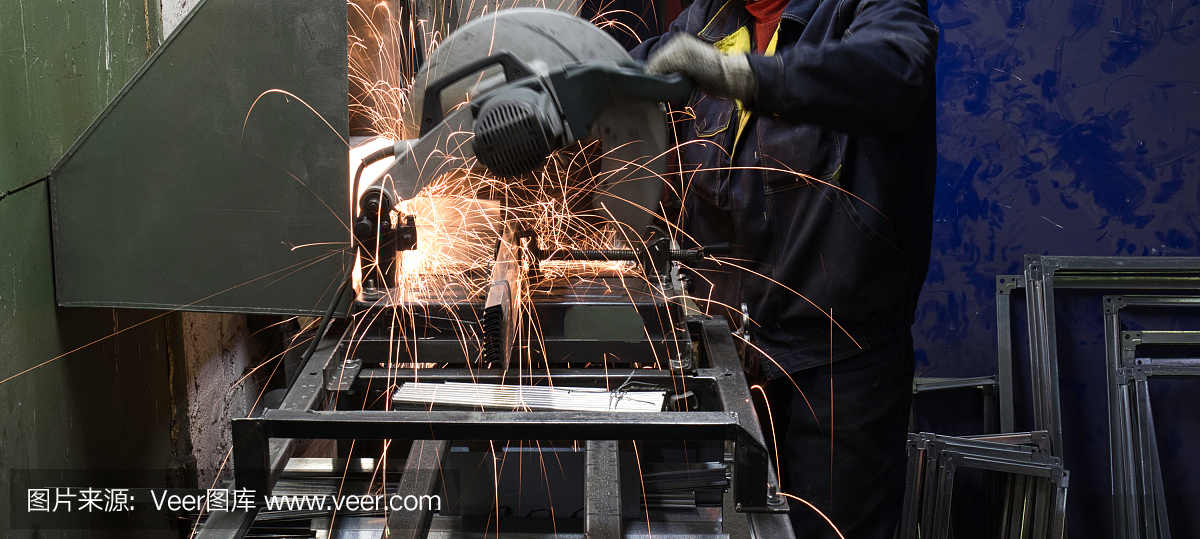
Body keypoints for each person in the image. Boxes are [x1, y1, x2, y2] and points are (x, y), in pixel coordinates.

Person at [630, 1, 937, 537]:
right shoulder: (710, 16)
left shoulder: (863, 8)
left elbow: (895, 70)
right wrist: (554, 97)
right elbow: (618, 79)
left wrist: (737, 76)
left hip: (839, 369)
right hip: (735, 356)